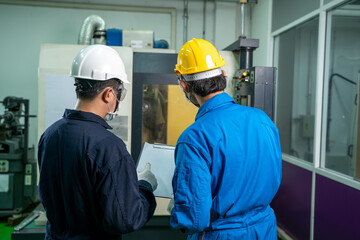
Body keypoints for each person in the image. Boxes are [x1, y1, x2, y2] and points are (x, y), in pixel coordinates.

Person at [38, 45, 158, 240]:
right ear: (109, 94)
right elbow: (125, 219)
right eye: (120, 92)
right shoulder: (109, 146)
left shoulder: (50, 134)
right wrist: (144, 187)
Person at [168, 39, 282, 239]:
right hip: (264, 230)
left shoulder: (194, 137)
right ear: (222, 74)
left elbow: (194, 218)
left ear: (185, 85)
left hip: (222, 234)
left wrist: (179, 206)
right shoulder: (263, 120)